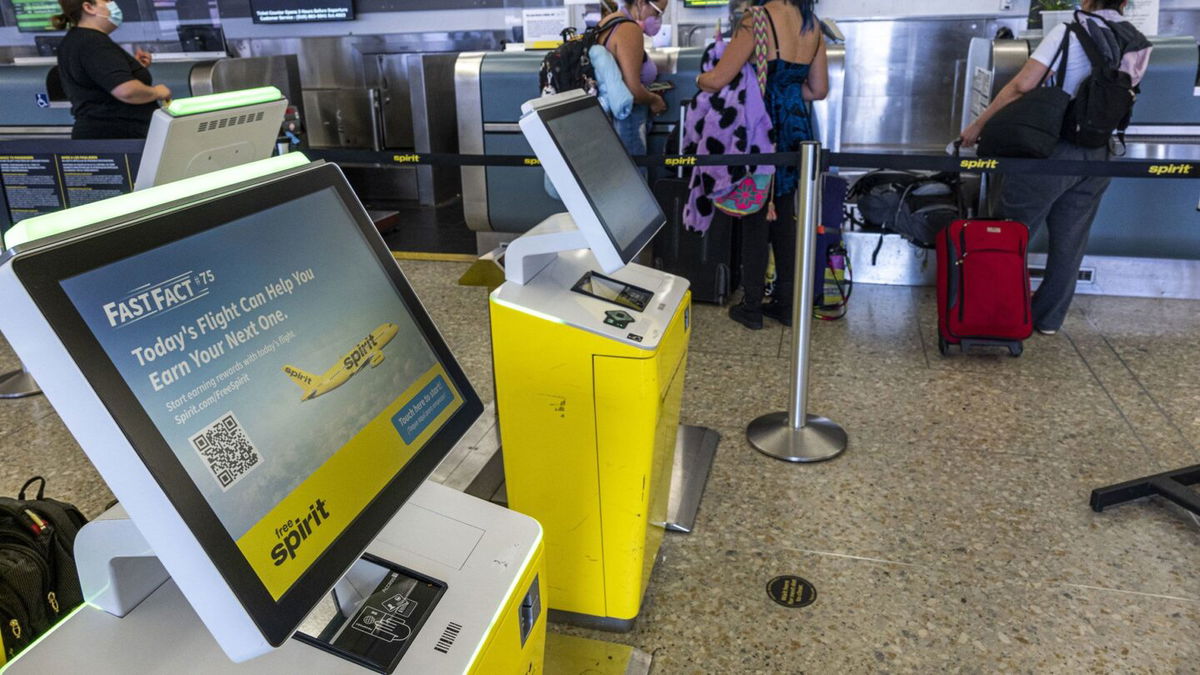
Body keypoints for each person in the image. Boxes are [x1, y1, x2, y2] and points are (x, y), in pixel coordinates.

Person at [960, 0, 1151, 335]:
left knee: (1010, 232)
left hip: (1052, 148)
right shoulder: (1136, 40)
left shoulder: (1069, 32)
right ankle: (1047, 320)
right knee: (1071, 240)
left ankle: (998, 314)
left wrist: (978, 126)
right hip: (1099, 151)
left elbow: (1021, 85)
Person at [696, 0, 828, 330]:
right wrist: (787, 91)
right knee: (784, 214)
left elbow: (718, 79)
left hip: (760, 128)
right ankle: (786, 304)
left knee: (755, 213)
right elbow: (818, 90)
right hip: (797, 128)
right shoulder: (813, 24)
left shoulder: (755, 20)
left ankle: (752, 306)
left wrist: (701, 78)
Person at [53, 0, 172, 139]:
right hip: (119, 135)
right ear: (88, 7)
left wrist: (130, 68)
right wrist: (158, 92)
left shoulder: (75, 40)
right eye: (107, 0)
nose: (113, 4)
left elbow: (97, 78)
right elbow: (127, 91)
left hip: (104, 135)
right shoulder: (93, 43)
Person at [596, 0, 670, 157]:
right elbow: (633, 90)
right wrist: (655, 100)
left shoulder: (608, 21)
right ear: (641, 3)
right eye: (657, 12)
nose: (657, 19)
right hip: (627, 120)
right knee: (634, 174)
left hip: (607, 119)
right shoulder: (629, 30)